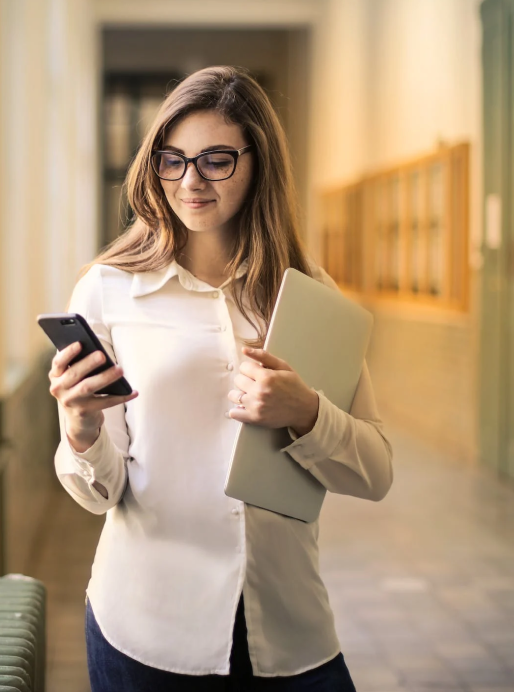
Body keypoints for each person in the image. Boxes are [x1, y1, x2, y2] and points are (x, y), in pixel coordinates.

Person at [48, 66, 393, 692]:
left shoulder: (310, 293)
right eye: (172, 160)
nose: (189, 180)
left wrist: (306, 413)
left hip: (288, 629)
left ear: (259, 162)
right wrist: (80, 429)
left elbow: (375, 472)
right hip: (146, 631)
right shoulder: (109, 289)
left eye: (215, 160)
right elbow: (101, 494)